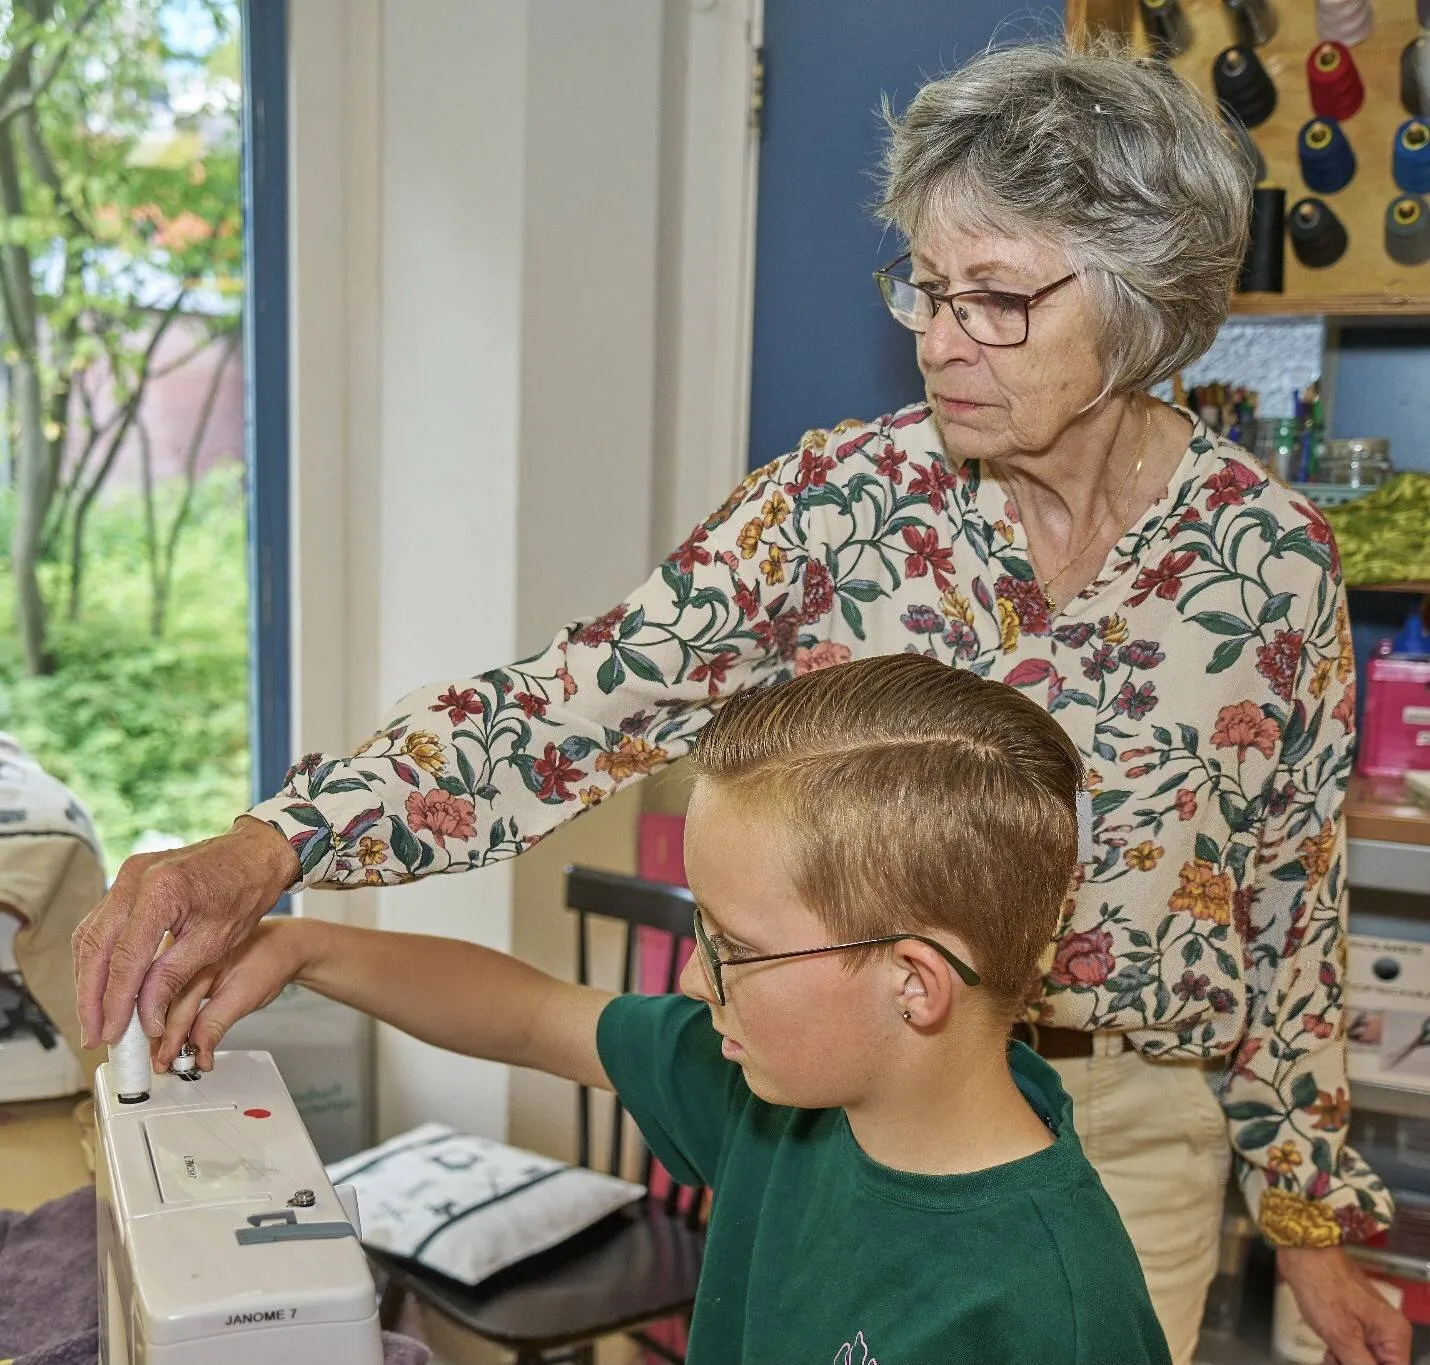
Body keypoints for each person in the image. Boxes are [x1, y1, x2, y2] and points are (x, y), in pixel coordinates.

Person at [74, 39, 1409, 1365]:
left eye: (995, 299)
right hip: (857, 1101)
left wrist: (1306, 1220)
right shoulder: (839, 508)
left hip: (1128, 1131)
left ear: (1139, 300)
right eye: (927, 289)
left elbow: (1288, 915)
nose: (940, 338)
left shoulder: (1270, 563)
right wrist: (276, 846)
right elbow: (567, 707)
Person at [151, 656, 1172, 1365]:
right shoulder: (782, 1099)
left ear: (913, 983)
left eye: (733, 950)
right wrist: (304, 946)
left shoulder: (1056, 1314)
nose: (693, 980)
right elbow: (531, 1015)